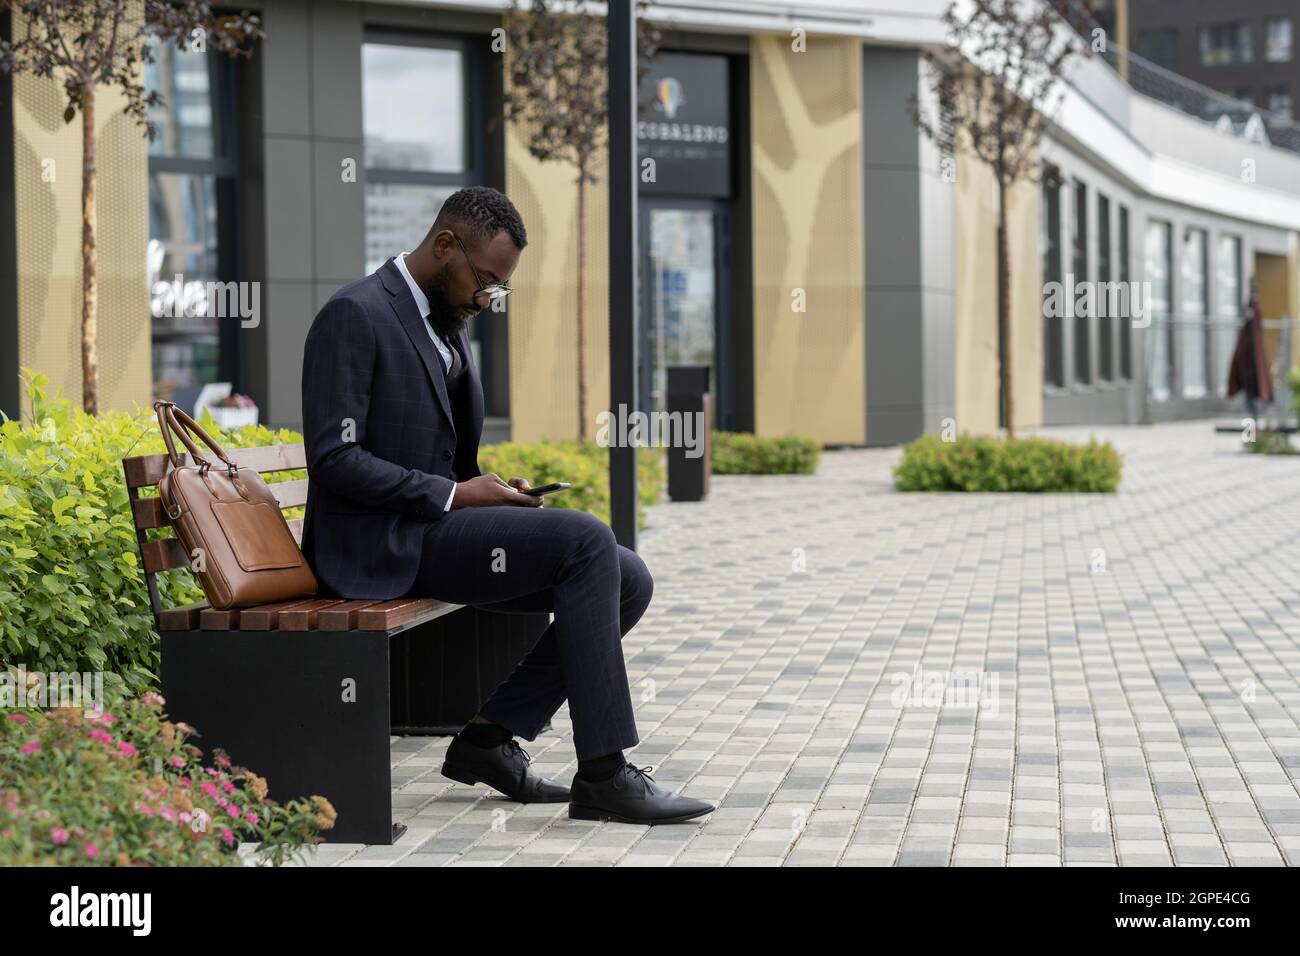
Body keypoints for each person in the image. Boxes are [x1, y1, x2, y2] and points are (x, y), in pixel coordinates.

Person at [300, 186, 714, 826]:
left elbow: (443, 454)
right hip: (378, 543)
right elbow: (334, 458)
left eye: (500, 286)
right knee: (585, 542)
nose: (488, 298)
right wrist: (455, 494)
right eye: (485, 280)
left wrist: (488, 489)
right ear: (445, 247)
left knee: (628, 578)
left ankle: (489, 739)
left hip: (432, 527)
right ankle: (604, 773)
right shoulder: (355, 315)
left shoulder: (445, 322)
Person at [1227, 282, 1274, 418]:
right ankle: (1250, 418)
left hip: (1253, 366)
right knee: (1249, 393)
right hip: (1247, 365)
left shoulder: (1256, 315)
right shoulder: (1248, 320)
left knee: (1254, 392)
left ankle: (1254, 416)